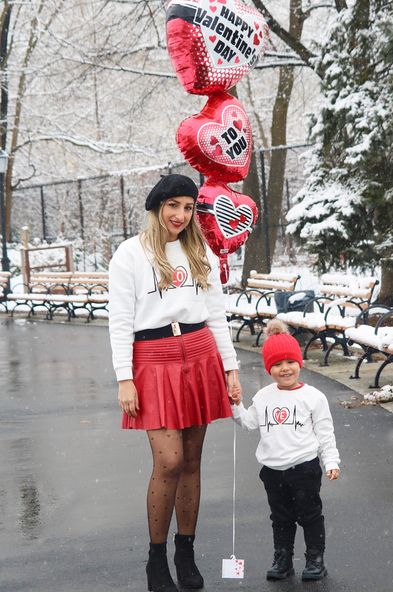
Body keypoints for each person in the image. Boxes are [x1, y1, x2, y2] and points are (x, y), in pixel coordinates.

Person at [108, 173, 241, 592]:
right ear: (156, 207)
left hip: (200, 354)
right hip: (153, 359)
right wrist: (124, 378)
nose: (181, 215)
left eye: (188, 207)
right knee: (168, 461)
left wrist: (230, 367)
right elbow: (120, 322)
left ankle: (186, 552)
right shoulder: (130, 255)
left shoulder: (197, 249)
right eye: (173, 206)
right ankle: (156, 558)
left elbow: (216, 313)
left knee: (191, 462)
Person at [230, 319, 340, 582]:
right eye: (277, 364)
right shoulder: (264, 396)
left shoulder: (313, 397)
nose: (285, 369)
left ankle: (315, 558)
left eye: (290, 362)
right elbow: (247, 422)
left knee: (310, 516)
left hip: (304, 468)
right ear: (269, 368)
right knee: (280, 518)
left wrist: (331, 461)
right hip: (272, 471)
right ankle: (283, 558)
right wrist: (235, 404)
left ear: (299, 362)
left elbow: (325, 432)